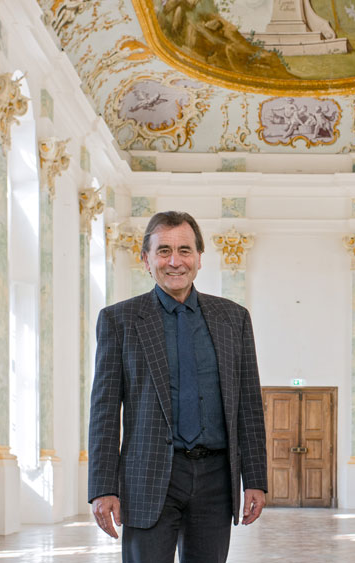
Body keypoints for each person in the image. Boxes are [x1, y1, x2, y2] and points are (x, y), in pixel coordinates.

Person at [88, 210, 268, 563]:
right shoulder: (119, 320)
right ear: (146, 260)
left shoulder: (234, 318)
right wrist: (103, 487)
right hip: (149, 476)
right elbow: (105, 411)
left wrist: (256, 479)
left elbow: (248, 406)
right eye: (163, 251)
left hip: (216, 479)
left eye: (185, 250)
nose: (175, 261)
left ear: (200, 258)